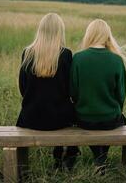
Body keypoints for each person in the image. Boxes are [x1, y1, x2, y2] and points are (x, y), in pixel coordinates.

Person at [16, 13, 79, 170]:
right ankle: (64, 156)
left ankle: (61, 156)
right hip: (59, 118)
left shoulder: (27, 53)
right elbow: (71, 90)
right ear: (60, 31)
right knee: (73, 112)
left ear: (40, 30)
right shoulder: (65, 54)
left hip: (30, 117)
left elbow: (22, 88)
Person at [70, 19, 126, 173]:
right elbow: (121, 94)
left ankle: (99, 158)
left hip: (83, 119)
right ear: (107, 36)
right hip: (110, 119)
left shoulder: (78, 58)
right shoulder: (116, 60)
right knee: (121, 120)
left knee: (94, 122)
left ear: (89, 34)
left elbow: (73, 92)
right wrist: (114, 109)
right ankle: (101, 158)